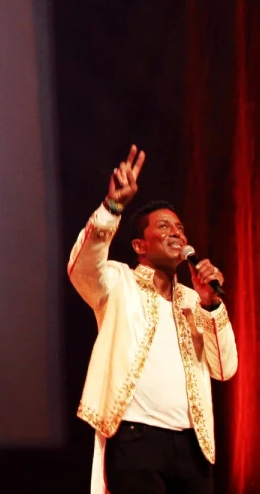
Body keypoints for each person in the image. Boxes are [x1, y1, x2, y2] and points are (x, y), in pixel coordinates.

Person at [68, 145, 238, 494]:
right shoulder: (117, 283)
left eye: (180, 228)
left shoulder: (195, 301)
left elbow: (225, 369)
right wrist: (112, 207)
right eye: (164, 227)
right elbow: (81, 266)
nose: (177, 233)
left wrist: (211, 306)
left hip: (193, 446)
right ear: (140, 246)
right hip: (136, 439)